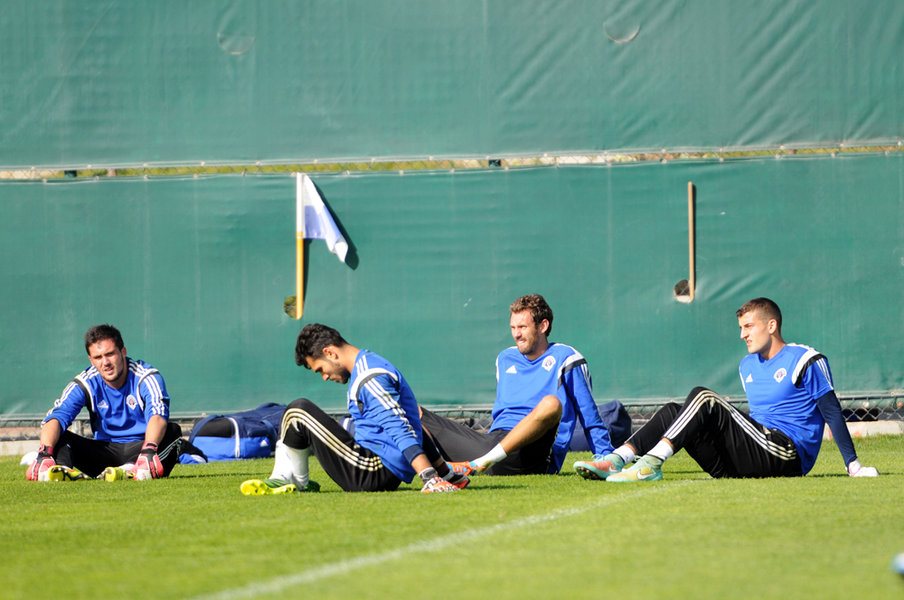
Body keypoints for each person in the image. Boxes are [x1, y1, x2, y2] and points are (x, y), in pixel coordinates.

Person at [574, 297, 879, 482]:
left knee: (704, 396)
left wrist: (854, 466)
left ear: (771, 326)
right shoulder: (747, 365)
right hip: (748, 459)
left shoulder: (805, 359)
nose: (742, 334)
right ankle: (616, 460)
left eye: (749, 327)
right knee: (671, 411)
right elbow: (753, 424)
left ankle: (651, 463)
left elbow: (832, 414)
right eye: (741, 328)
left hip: (786, 455)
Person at [240, 323, 468, 495]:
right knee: (298, 413)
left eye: (320, 369)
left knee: (297, 410)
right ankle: (297, 482)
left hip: (371, 471)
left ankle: (285, 478)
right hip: (378, 470)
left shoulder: (368, 377)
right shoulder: (370, 364)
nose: (325, 377)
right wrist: (445, 473)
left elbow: (398, 425)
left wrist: (429, 476)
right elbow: (413, 423)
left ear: (330, 353)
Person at [420, 293, 614, 475]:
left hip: (532, 452)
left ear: (543, 326)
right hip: (492, 444)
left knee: (551, 404)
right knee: (413, 411)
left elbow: (590, 416)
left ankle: (482, 462)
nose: (516, 334)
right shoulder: (505, 358)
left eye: (522, 327)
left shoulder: (567, 359)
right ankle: (430, 471)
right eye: (513, 328)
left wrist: (605, 457)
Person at [26, 324, 182, 482]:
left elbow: (157, 415)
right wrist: (44, 454)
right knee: (58, 434)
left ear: (123, 352)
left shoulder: (146, 377)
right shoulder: (85, 382)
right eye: (98, 357)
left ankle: (130, 470)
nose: (105, 362)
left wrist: (148, 450)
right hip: (104, 454)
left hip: (142, 451)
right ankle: (59, 472)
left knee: (173, 432)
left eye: (110, 354)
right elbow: (57, 416)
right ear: (91, 360)